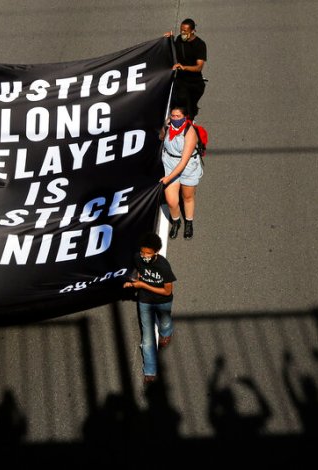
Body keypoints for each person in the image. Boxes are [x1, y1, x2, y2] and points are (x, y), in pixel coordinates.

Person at [123, 232, 176, 385]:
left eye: (148, 253)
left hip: (163, 301)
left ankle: (166, 333)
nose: (144, 255)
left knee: (165, 321)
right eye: (142, 252)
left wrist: (143, 285)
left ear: (156, 252)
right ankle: (150, 370)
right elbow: (139, 273)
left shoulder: (163, 266)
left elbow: (167, 291)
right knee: (147, 337)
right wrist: (133, 283)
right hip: (144, 301)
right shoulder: (137, 258)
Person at [160, 107, 202, 240]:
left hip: (188, 166)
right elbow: (161, 137)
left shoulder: (190, 132)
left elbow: (183, 162)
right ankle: (176, 221)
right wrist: (164, 126)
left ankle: (189, 223)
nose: (175, 119)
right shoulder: (168, 127)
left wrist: (168, 179)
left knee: (187, 197)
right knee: (171, 201)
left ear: (185, 117)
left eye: (178, 116)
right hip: (170, 162)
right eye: (173, 116)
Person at [165, 18, 207, 120]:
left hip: (194, 83)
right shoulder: (179, 39)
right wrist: (169, 39)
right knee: (177, 105)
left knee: (189, 110)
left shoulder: (200, 45)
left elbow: (199, 67)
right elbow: (173, 50)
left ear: (192, 31)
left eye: (185, 31)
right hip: (180, 81)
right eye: (181, 30)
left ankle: (189, 125)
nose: (182, 33)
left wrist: (184, 67)